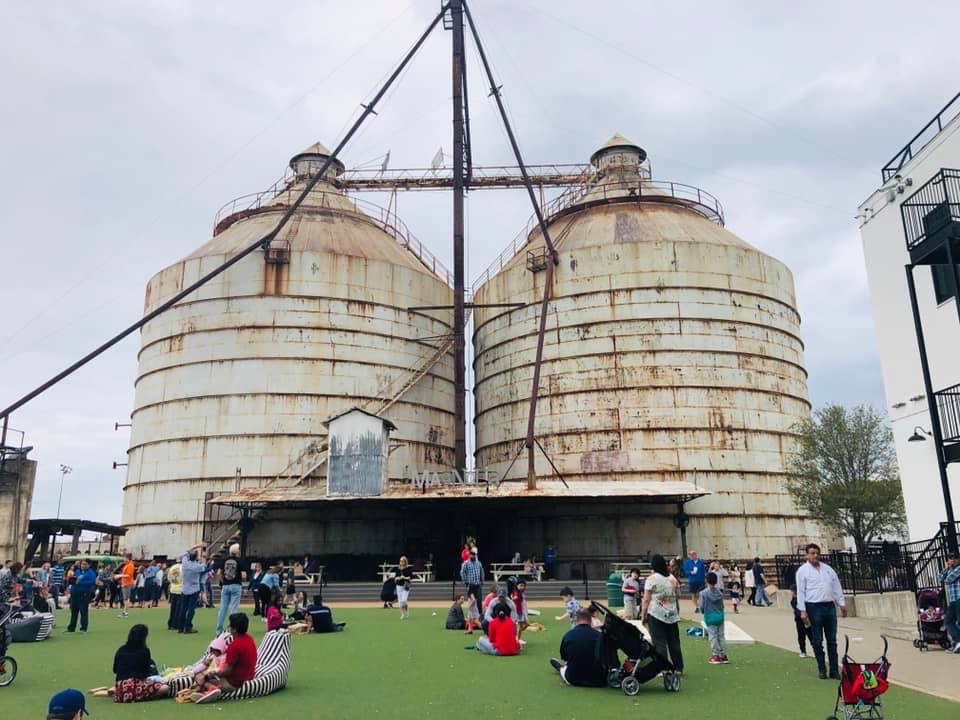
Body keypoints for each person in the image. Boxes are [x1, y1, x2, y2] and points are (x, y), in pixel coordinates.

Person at [795, 543, 847, 680]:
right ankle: (822, 669)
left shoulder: (828, 569)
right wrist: (803, 610)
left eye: (817, 553)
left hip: (829, 606)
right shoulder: (802, 571)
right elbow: (801, 591)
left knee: (832, 640)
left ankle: (834, 670)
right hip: (813, 607)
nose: (815, 555)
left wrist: (841, 603)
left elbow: (836, 586)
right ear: (807, 555)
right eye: (812, 553)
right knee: (817, 640)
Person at [194, 612, 258, 704]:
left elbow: (227, 671)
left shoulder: (234, 645)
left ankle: (211, 688)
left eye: (230, 626)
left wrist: (209, 675)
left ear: (234, 629)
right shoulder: (250, 639)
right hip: (249, 677)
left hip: (234, 683)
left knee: (199, 676)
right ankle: (204, 688)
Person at [641, 554, 684, 674]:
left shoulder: (651, 579)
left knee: (659, 642)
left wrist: (643, 615)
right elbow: (679, 594)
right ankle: (678, 668)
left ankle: (664, 668)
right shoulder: (672, 578)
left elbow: (646, 599)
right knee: (674, 642)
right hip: (672, 614)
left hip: (656, 613)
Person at [550, 608, 608, 686]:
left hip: (573, 678)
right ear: (590, 621)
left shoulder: (568, 635)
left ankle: (560, 668)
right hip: (599, 679)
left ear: (576, 621)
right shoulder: (600, 636)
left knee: (565, 668)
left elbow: (564, 657)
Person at [112, 624, 170, 702]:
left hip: (120, 688)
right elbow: (146, 673)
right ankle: (145, 696)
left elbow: (115, 670)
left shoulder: (121, 649)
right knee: (165, 688)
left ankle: (131, 695)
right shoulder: (144, 651)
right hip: (136, 686)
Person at [178, 544, 210, 634]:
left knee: (183, 608)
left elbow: (185, 552)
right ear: (196, 557)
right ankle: (188, 627)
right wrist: (204, 556)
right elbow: (204, 566)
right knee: (191, 609)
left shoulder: (185, 563)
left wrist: (197, 546)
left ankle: (181, 627)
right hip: (194, 588)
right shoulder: (197, 566)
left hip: (185, 588)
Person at [699, 571, 728, 664]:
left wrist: (703, 611)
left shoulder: (703, 593)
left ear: (707, 581)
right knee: (721, 636)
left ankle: (715, 655)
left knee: (713, 636)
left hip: (710, 616)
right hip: (719, 615)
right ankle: (723, 655)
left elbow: (702, 606)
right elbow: (722, 606)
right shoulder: (719, 592)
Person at [216, 544, 245, 636]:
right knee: (234, 608)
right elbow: (244, 575)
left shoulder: (224, 560)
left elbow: (218, 573)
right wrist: (241, 580)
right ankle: (234, 629)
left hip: (226, 585)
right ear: (236, 551)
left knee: (223, 608)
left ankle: (219, 630)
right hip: (236, 585)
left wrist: (223, 581)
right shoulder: (240, 561)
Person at [66, 560, 96, 634]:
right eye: (82, 564)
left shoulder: (91, 572)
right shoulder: (77, 571)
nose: (83, 566)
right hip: (74, 593)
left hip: (84, 594)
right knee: (74, 611)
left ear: (89, 565)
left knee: (83, 611)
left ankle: (83, 628)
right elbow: (74, 580)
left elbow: (92, 582)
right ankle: (71, 628)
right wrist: (71, 582)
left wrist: (80, 582)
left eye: (85, 564)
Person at [939, 552, 960, 653]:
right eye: (950, 558)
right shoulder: (950, 569)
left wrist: (948, 570)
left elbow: (948, 580)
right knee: (948, 621)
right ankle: (958, 641)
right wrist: (946, 568)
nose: (952, 560)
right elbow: (940, 579)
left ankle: (958, 641)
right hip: (953, 600)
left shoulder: (959, 569)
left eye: (955, 558)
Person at [790, 584, 814, 658]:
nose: (790, 593)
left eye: (791, 591)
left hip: (806, 619)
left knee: (811, 635)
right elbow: (797, 611)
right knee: (801, 636)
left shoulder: (802, 599)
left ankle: (816, 650)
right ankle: (803, 651)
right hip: (799, 621)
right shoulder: (793, 601)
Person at [115, 553, 135, 618]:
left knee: (126, 599)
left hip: (127, 584)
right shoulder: (128, 565)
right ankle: (124, 612)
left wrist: (119, 575)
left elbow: (129, 575)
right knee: (125, 599)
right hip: (125, 583)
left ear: (127, 558)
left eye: (124, 558)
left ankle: (125, 613)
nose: (123, 559)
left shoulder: (130, 565)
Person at [393, 556, 413, 620]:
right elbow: (395, 578)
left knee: (404, 600)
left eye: (402, 561)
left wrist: (404, 577)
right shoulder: (397, 569)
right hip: (399, 586)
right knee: (400, 601)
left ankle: (407, 611)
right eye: (400, 561)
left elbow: (410, 577)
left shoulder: (408, 569)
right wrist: (399, 578)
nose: (401, 562)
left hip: (406, 585)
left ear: (405, 562)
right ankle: (402, 614)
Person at [166, 560, 183, 631]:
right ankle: (176, 624)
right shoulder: (183, 568)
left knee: (173, 607)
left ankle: (170, 623)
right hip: (181, 589)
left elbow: (169, 578)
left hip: (173, 588)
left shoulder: (172, 568)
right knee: (179, 608)